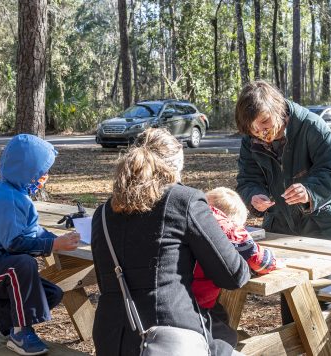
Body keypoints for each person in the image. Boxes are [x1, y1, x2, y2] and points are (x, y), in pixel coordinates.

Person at [91, 128, 250, 356]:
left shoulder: (103, 212)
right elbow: (234, 275)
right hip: (170, 337)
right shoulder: (185, 201)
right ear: (176, 168)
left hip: (111, 338)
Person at [234, 80, 331, 325]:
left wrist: (309, 192)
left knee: (320, 299)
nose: (260, 132)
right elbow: (247, 178)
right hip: (282, 228)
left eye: (264, 122)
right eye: (252, 128)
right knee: (290, 296)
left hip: (322, 228)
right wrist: (253, 195)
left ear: (278, 109)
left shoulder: (311, 126)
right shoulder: (250, 139)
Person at [0, 134, 80, 356]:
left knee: (51, 294)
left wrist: (58, 239)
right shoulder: (6, 197)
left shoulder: (17, 194)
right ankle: (20, 334)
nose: (45, 176)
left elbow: (31, 231)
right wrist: (53, 245)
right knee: (23, 265)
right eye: (41, 172)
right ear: (27, 172)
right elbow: (14, 244)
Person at [192, 187, 277, 347]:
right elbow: (258, 259)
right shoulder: (227, 229)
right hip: (199, 301)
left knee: (221, 316)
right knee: (226, 338)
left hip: (186, 294)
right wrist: (273, 261)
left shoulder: (191, 217)